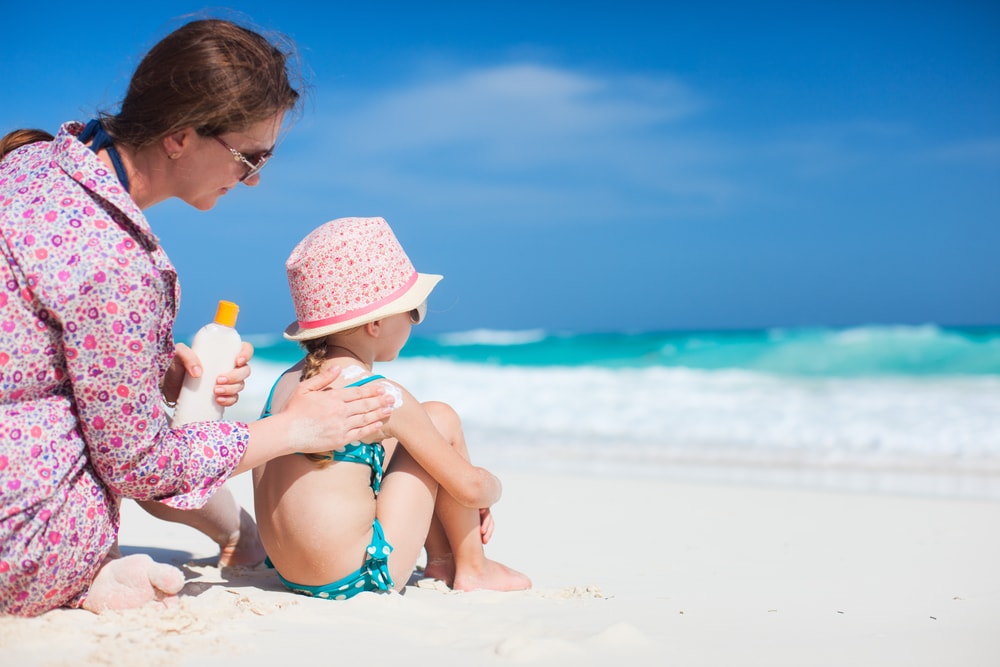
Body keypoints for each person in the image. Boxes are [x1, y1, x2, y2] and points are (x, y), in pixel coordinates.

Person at [0, 19, 395, 617]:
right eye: (249, 157)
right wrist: (295, 429)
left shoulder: (31, 164)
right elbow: (138, 465)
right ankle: (78, 583)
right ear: (179, 137)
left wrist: (152, 367)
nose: (256, 179)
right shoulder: (116, 264)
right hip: (19, 544)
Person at [253, 216, 531, 599]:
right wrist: (488, 489)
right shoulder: (380, 395)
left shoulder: (288, 383)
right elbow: (469, 489)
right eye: (413, 311)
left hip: (291, 573)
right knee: (440, 419)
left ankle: (441, 560)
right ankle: (473, 566)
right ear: (376, 323)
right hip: (357, 579)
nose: (416, 322)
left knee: (405, 442)